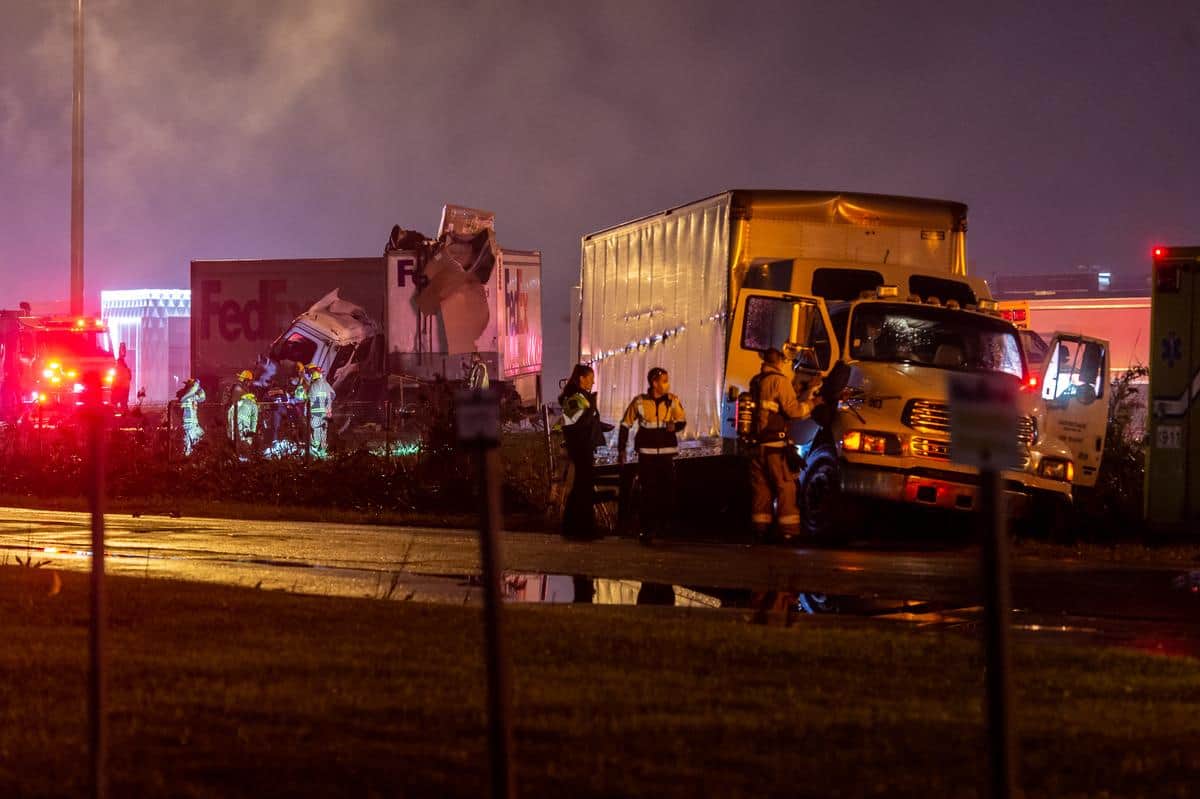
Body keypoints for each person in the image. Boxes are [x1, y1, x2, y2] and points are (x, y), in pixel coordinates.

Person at [748, 348, 818, 543]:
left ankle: (760, 530)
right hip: (776, 447)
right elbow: (794, 411)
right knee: (786, 488)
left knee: (761, 491)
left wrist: (803, 390)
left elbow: (775, 403)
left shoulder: (756, 380)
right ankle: (789, 532)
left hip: (757, 447)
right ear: (779, 361)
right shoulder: (780, 380)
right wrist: (815, 403)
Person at [618, 367, 686, 545]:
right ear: (654, 383)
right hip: (646, 455)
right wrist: (621, 449)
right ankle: (647, 529)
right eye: (664, 380)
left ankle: (665, 527)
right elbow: (625, 424)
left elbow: (682, 420)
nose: (667, 384)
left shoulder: (672, 400)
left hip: (666, 454)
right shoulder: (639, 402)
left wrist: (676, 427)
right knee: (648, 492)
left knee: (667, 491)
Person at [559, 364, 609, 540]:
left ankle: (577, 527)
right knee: (583, 486)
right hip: (580, 447)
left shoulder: (582, 397)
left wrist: (602, 426)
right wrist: (592, 406)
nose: (593, 381)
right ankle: (580, 528)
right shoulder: (576, 397)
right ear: (581, 378)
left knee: (583, 486)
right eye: (590, 377)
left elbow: (584, 421)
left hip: (584, 446)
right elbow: (574, 424)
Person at [306, 364, 335, 457]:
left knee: (316, 431)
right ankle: (323, 452)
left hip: (316, 412)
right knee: (324, 431)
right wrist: (328, 406)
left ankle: (315, 453)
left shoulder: (313, 385)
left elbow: (309, 398)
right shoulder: (326, 385)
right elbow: (333, 395)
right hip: (326, 413)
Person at [226, 370, 258, 452]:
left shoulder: (240, 388)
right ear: (246, 380)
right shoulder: (238, 388)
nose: (250, 383)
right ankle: (239, 455)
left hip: (237, 416)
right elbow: (241, 400)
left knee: (237, 436)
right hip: (237, 416)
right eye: (249, 381)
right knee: (238, 437)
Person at [176, 377, 206, 455]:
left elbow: (203, 397)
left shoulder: (193, 397)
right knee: (187, 448)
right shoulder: (185, 397)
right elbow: (189, 393)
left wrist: (199, 387)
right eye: (191, 385)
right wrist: (196, 385)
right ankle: (186, 461)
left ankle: (195, 458)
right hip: (187, 425)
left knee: (200, 438)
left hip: (194, 424)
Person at [112, 342, 132, 411]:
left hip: (120, 386)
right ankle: (123, 409)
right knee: (123, 402)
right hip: (124, 386)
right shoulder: (123, 367)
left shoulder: (118, 367)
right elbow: (129, 377)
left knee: (119, 401)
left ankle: (119, 409)